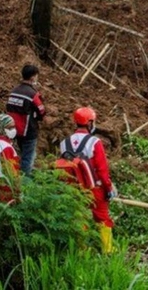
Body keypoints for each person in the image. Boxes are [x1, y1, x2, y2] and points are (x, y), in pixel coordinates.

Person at [60, 107, 117, 254]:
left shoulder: (64, 143)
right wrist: (109, 188)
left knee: (79, 218)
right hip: (94, 188)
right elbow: (102, 170)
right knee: (103, 217)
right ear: (90, 122)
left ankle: (81, 251)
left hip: (73, 189)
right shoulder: (94, 142)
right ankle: (108, 250)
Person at [5, 65, 45, 176]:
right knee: (28, 158)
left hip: (14, 130)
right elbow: (42, 111)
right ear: (33, 77)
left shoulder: (14, 91)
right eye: (36, 76)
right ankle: (24, 185)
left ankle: (15, 176)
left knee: (21, 154)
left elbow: (8, 108)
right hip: (28, 131)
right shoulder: (33, 94)